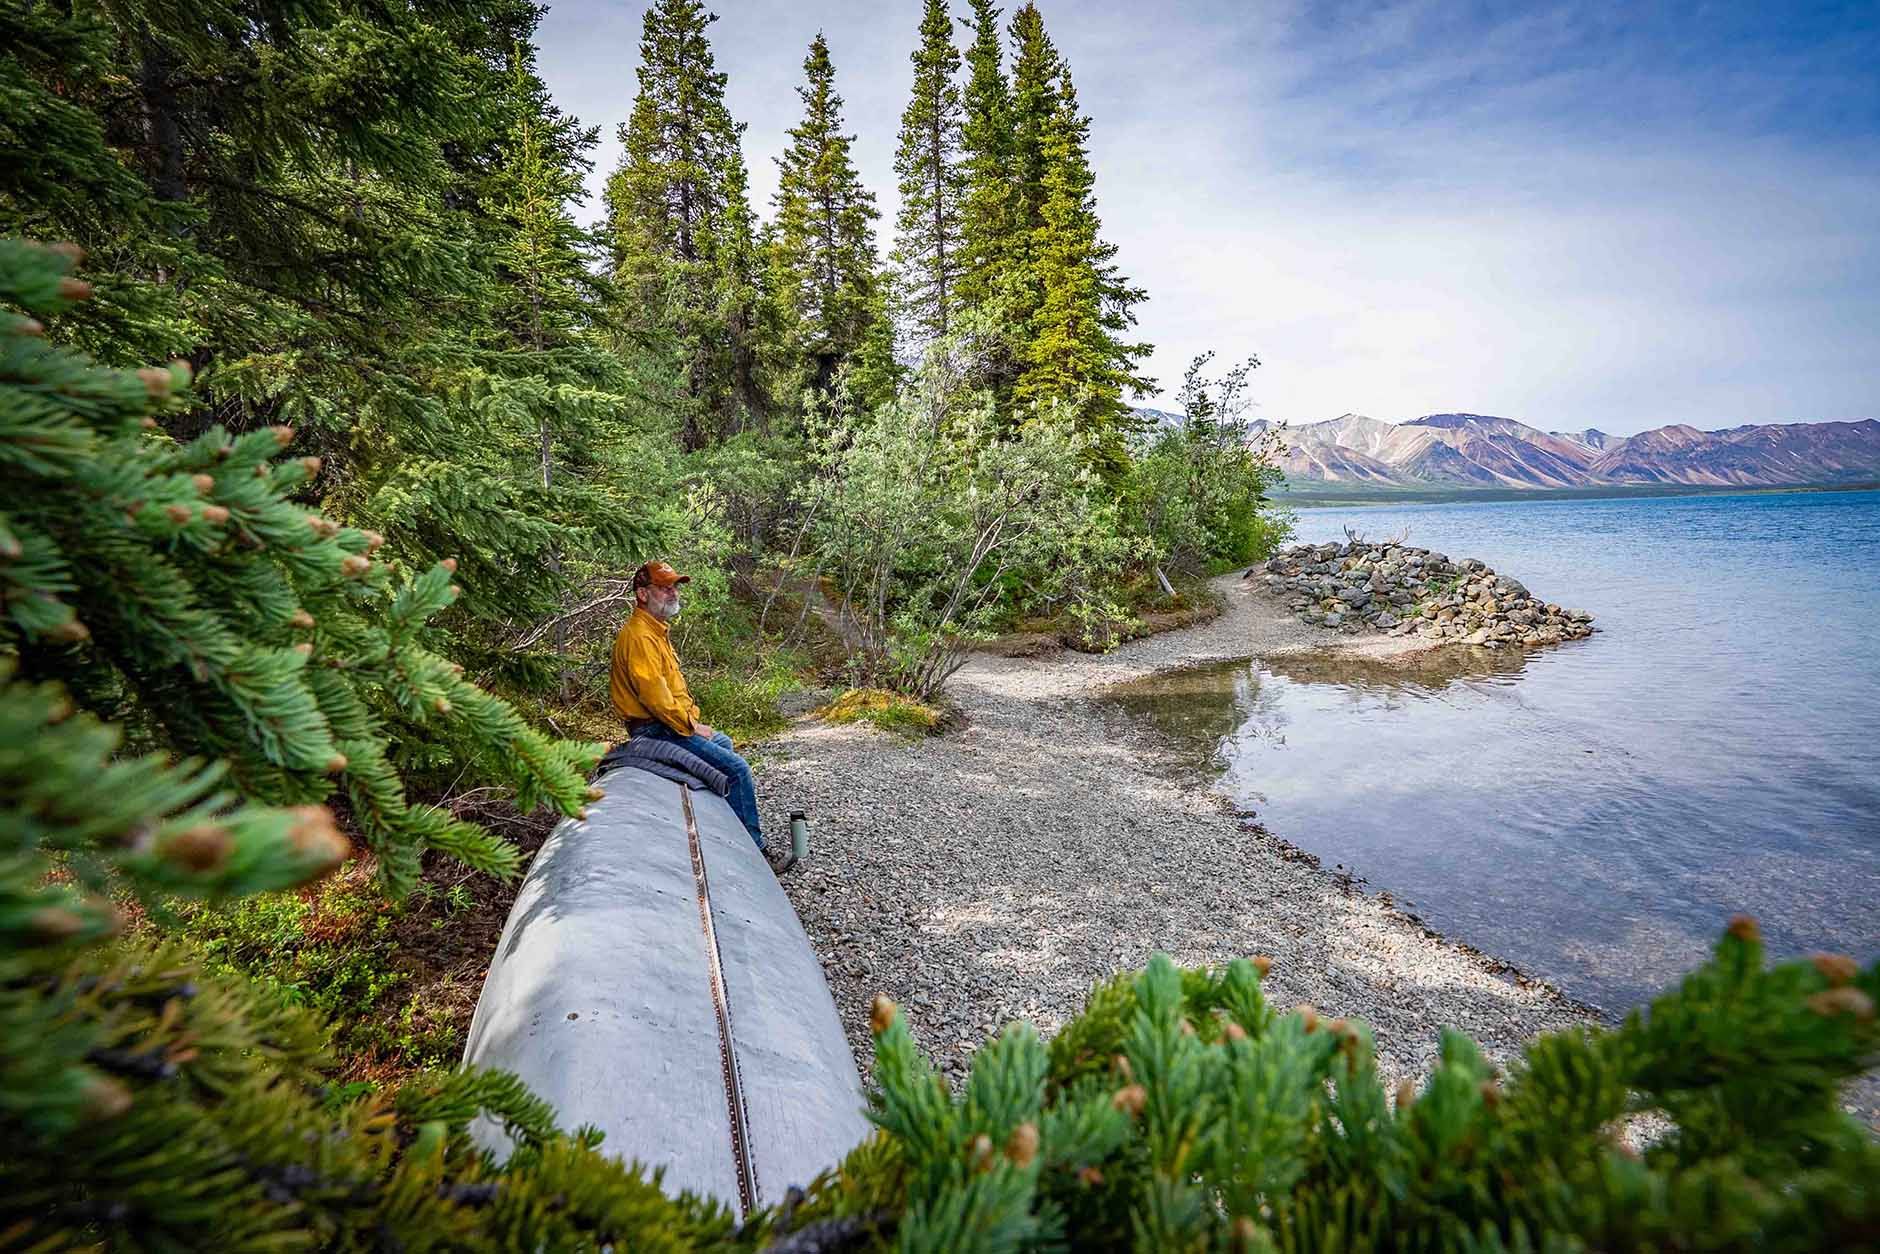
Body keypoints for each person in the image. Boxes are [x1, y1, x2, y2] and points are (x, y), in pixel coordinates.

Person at [609, 560, 766, 851]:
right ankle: (753, 852)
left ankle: (722, 831)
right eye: (664, 588)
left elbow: (672, 694)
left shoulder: (656, 631)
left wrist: (693, 724)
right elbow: (657, 701)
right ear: (643, 594)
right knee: (737, 770)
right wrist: (692, 727)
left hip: (666, 726)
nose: (673, 594)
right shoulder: (640, 637)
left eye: (674, 588)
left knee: (724, 742)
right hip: (655, 730)